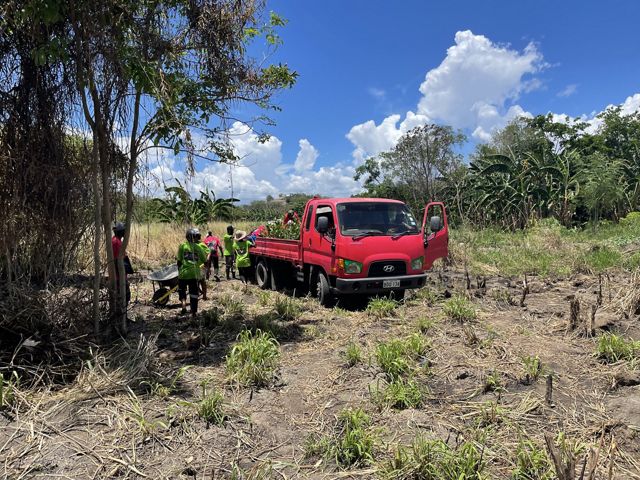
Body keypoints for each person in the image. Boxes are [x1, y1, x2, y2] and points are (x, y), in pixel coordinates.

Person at [177, 227, 208, 318]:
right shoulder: (199, 247)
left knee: (182, 290)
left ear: (187, 237)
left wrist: (179, 270)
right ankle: (193, 313)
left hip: (183, 273)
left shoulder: (182, 246)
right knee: (194, 293)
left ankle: (183, 304)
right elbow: (205, 261)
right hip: (194, 274)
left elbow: (179, 261)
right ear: (195, 237)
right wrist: (204, 268)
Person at [111, 222, 133, 310]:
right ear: (121, 232)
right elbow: (118, 260)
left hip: (117, 275)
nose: (125, 233)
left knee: (120, 296)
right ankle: (121, 316)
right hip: (119, 276)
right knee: (125, 296)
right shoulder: (117, 242)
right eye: (124, 231)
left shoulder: (114, 240)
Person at [195, 231, 209, 301]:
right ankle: (197, 294)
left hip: (201, 266)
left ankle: (204, 296)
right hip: (194, 266)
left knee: (202, 281)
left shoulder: (201, 244)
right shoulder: (192, 245)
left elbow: (208, 251)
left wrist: (207, 260)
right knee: (196, 281)